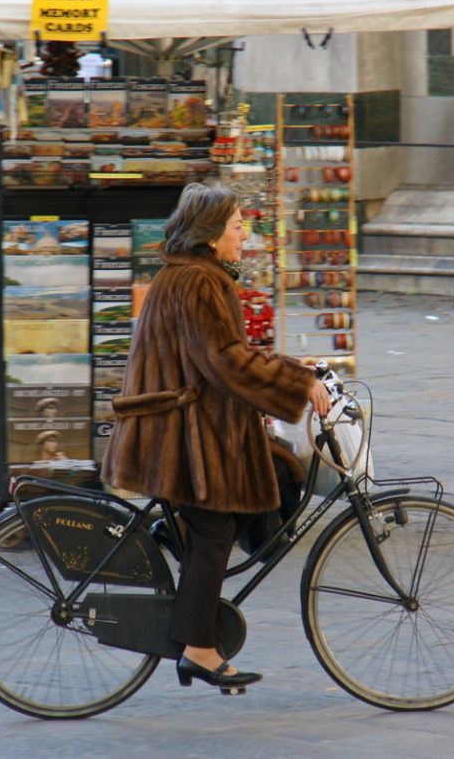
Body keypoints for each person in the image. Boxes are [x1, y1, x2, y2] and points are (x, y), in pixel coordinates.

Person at [102, 183, 331, 692]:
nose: (244, 234)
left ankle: (176, 549)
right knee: (215, 531)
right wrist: (298, 383)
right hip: (179, 434)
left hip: (184, 425)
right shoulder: (200, 283)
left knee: (255, 493)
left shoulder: (191, 276)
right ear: (209, 238)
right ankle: (199, 650)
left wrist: (292, 368)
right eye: (236, 226)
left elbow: (221, 357)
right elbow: (226, 360)